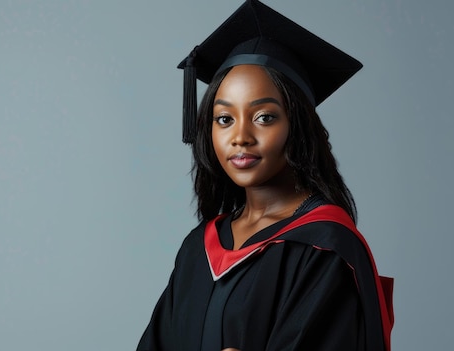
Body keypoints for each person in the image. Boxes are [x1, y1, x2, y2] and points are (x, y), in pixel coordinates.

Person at [137, 1, 394, 350]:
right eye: (224, 119)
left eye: (264, 117)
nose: (240, 136)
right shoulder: (199, 247)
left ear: (297, 125)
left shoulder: (326, 248)